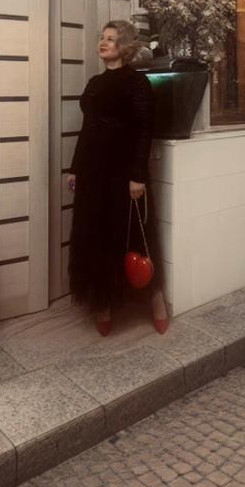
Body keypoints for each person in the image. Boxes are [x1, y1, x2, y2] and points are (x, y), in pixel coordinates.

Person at [67, 20, 169, 336]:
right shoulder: (95, 83)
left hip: (124, 172)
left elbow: (144, 131)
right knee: (96, 236)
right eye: (102, 37)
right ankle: (103, 304)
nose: (103, 42)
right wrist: (75, 168)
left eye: (110, 39)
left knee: (135, 235)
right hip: (93, 172)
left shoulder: (136, 82)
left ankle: (157, 302)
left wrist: (137, 176)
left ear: (124, 46)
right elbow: (88, 129)